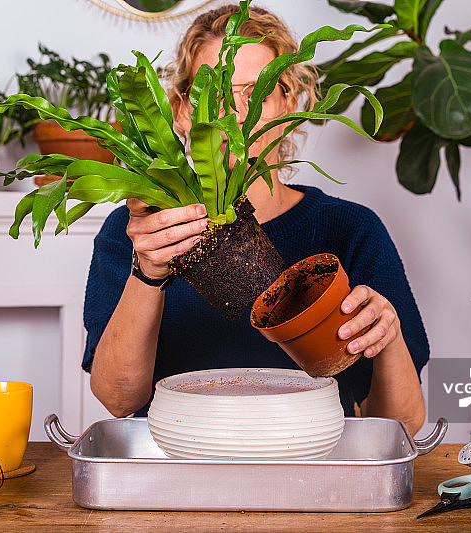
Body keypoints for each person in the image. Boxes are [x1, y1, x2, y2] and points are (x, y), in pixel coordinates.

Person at [83, 4, 429, 435]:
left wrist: (388, 336)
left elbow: (404, 426)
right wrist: (148, 270)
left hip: (312, 467)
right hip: (180, 468)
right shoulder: (137, 233)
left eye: (258, 91)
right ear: (184, 110)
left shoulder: (352, 230)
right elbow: (118, 400)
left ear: (290, 102)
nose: (235, 114)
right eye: (215, 93)